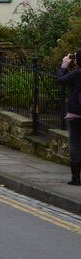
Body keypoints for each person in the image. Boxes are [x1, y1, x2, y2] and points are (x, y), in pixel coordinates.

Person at [56, 49, 81, 184]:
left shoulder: (77, 74)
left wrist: (64, 65)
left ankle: (76, 178)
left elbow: (60, 80)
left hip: (76, 114)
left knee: (75, 144)